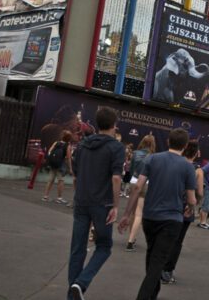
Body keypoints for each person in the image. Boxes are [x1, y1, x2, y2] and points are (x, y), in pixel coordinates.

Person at [118, 128, 197, 300]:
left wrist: (126, 214)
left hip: (150, 217)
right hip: (172, 220)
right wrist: (191, 207)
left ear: (168, 141)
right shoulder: (187, 166)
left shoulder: (152, 159)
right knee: (157, 262)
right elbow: (191, 198)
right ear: (184, 146)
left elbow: (138, 187)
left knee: (152, 255)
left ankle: (152, 295)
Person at [67, 107, 124, 300]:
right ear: (114, 125)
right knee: (104, 246)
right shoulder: (116, 147)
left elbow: (75, 173)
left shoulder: (83, 145)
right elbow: (116, 178)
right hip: (103, 203)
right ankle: (80, 283)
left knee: (77, 248)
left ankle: (72, 292)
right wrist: (116, 206)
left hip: (81, 200)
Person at [161, 140, 204, 284]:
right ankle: (167, 271)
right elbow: (200, 192)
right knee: (177, 241)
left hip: (169, 204)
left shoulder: (175, 163)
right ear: (196, 152)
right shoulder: (197, 170)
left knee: (165, 238)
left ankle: (158, 267)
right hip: (186, 208)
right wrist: (195, 202)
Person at [126, 135, 156, 251]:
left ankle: (131, 237)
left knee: (132, 212)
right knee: (139, 214)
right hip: (145, 183)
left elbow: (131, 170)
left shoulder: (135, 153)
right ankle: (130, 240)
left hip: (134, 182)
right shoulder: (153, 157)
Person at [42, 130, 73, 204]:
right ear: (69, 138)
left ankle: (45, 196)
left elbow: (49, 151)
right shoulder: (67, 146)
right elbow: (68, 158)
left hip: (53, 164)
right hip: (60, 165)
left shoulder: (56, 143)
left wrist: (51, 160)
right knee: (61, 180)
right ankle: (59, 198)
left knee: (50, 180)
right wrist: (70, 168)